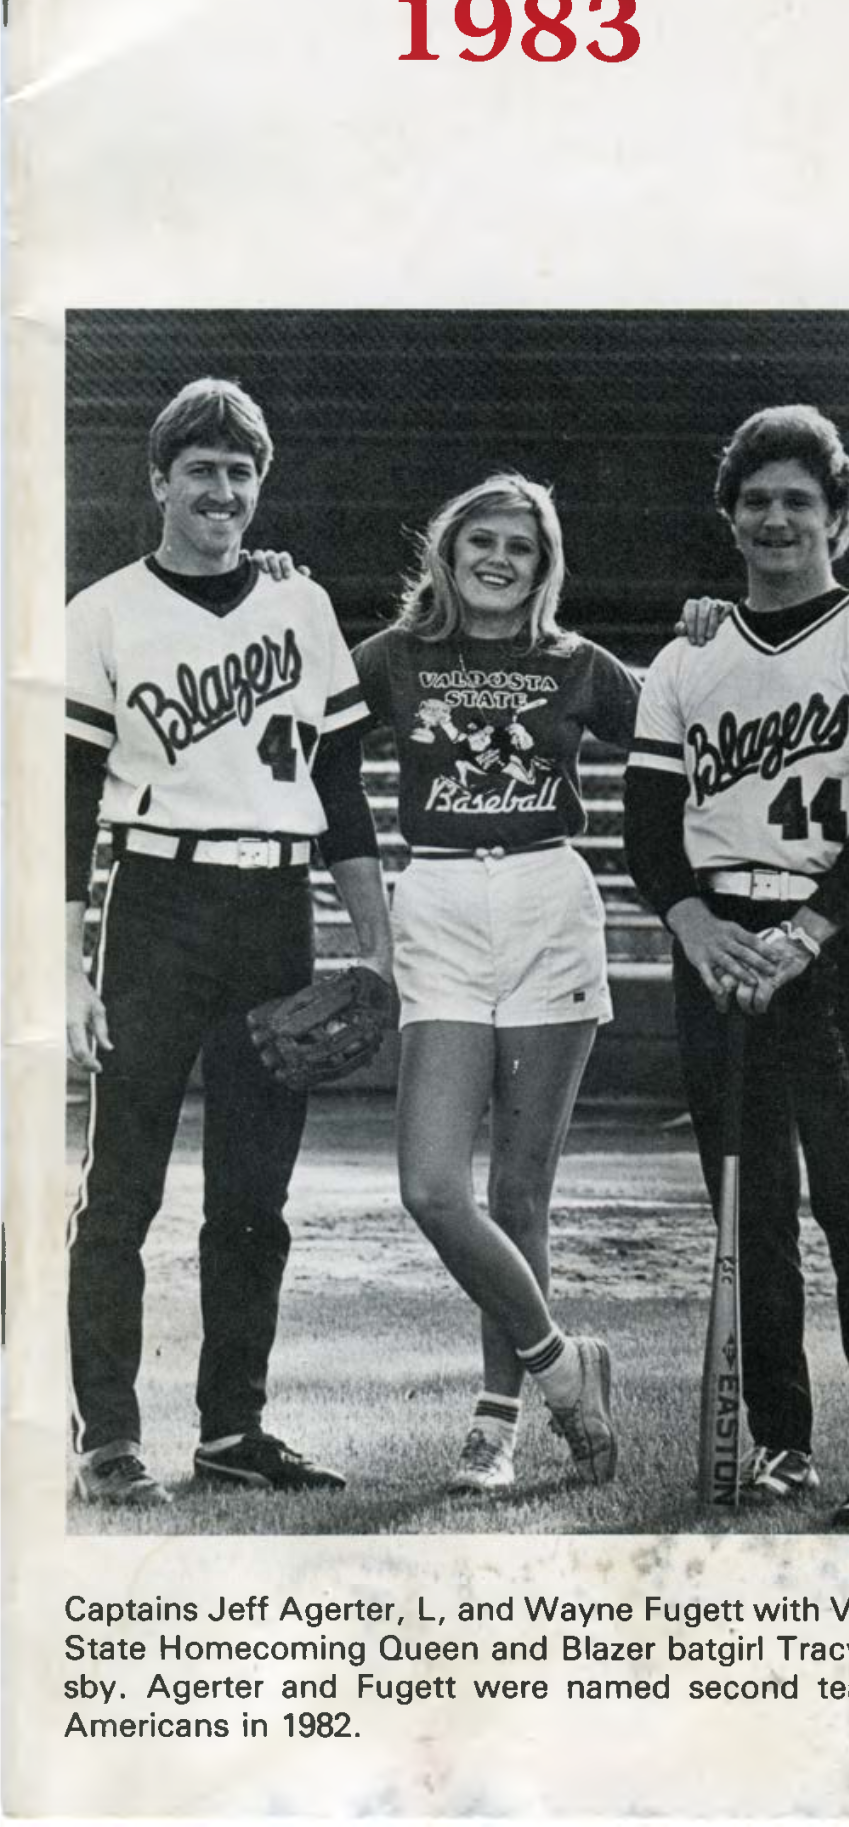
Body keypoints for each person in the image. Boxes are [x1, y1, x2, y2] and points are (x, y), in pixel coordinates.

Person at [66, 378, 393, 1507]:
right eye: (200, 469)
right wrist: (68, 963)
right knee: (122, 1190)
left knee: (254, 1199)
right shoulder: (103, 611)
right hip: (156, 905)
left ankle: (231, 1430)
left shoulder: (300, 609)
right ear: (158, 481)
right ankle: (109, 1436)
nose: (221, 489)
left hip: (275, 914)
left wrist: (379, 947)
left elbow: (341, 790)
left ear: (260, 487)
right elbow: (69, 802)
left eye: (240, 471)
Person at [624, 405, 849, 1531]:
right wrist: (700, 932)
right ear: (731, 519)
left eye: (800, 499)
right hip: (719, 946)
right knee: (746, 1211)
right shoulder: (688, 656)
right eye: (757, 500)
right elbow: (651, 833)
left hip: (834, 945)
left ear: (837, 515)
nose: (777, 517)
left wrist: (803, 935)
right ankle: (783, 1443)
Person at [353, 472, 641, 1495]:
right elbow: (310, 733)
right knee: (433, 1185)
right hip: (436, 903)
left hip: (548, 903)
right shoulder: (396, 658)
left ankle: (495, 1425)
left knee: (520, 1191)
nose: (499, 559)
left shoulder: (576, 664)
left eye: (521, 546)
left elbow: (680, 737)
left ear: (545, 564)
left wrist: (705, 633)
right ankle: (567, 1368)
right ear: (448, 548)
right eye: (481, 538)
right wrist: (275, 588)